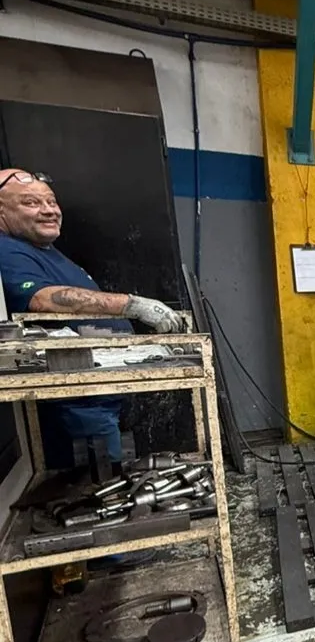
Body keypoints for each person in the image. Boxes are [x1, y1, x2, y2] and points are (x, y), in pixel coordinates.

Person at [0, 169, 186, 468]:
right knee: (99, 478)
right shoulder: (8, 251)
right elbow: (41, 299)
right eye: (31, 203)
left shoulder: (44, 250)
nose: (49, 210)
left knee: (119, 469)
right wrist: (132, 305)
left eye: (51, 201)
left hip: (101, 388)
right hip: (80, 397)